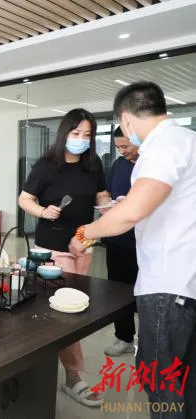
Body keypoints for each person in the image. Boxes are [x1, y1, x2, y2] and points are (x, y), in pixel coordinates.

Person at [69, 82, 196, 419]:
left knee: (161, 380)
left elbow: (134, 211)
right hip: (187, 283)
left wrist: (85, 233)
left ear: (125, 119)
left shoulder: (162, 145)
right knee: (184, 383)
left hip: (168, 284)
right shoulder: (187, 140)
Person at [18, 108, 111, 408]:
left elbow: (101, 195)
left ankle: (62, 371)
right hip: (53, 249)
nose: (82, 139)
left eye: (87, 134)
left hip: (83, 245)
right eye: (76, 133)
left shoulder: (93, 164)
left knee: (77, 311)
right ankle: (73, 377)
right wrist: (43, 211)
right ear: (64, 133)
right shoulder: (47, 165)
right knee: (62, 314)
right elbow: (25, 199)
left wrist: (109, 207)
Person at [102, 126, 139, 357]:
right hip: (118, 239)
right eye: (118, 147)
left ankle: (150, 341)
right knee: (118, 292)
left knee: (145, 294)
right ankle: (124, 337)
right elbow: (106, 192)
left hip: (145, 242)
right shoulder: (118, 165)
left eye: (125, 146)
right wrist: (108, 204)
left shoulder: (152, 164)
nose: (122, 151)